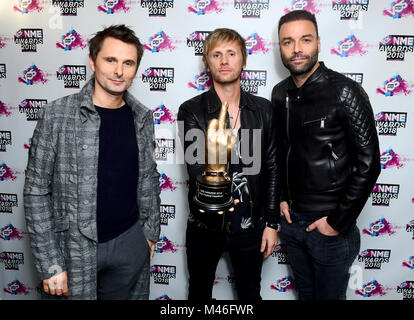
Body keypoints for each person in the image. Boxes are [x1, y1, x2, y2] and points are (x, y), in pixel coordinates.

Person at [24, 25, 161, 300]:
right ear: (92, 61)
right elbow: (36, 191)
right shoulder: (56, 114)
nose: (118, 71)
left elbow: (148, 177)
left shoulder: (142, 117)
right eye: (110, 60)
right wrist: (50, 263)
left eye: (128, 63)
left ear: (136, 69)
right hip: (72, 250)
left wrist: (149, 235)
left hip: (129, 244)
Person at [271, 10, 381, 300]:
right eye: (288, 42)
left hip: (330, 227)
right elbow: (281, 150)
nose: (296, 49)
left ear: (318, 42)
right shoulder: (278, 93)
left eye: (305, 40)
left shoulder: (345, 91)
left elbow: (369, 164)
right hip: (292, 224)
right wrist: (281, 197)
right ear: (280, 47)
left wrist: (336, 222)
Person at [178, 28, 279, 301]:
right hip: (204, 226)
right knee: (198, 295)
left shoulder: (263, 109)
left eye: (231, 54)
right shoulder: (190, 110)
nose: (224, 61)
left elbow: (271, 167)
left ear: (243, 60)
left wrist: (270, 222)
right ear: (207, 62)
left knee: (250, 296)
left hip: (250, 226)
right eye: (216, 54)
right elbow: (197, 170)